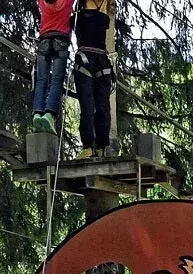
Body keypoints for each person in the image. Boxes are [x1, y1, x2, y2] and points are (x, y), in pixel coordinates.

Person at [74, 0, 114, 158]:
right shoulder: (104, 20)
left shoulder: (76, 19)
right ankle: (101, 146)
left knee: (88, 105)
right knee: (102, 106)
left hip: (86, 61)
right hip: (102, 62)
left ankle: (90, 146)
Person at [32, 0, 74, 133]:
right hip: (60, 40)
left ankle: (37, 114)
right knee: (56, 80)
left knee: (41, 80)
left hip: (43, 41)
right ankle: (49, 115)